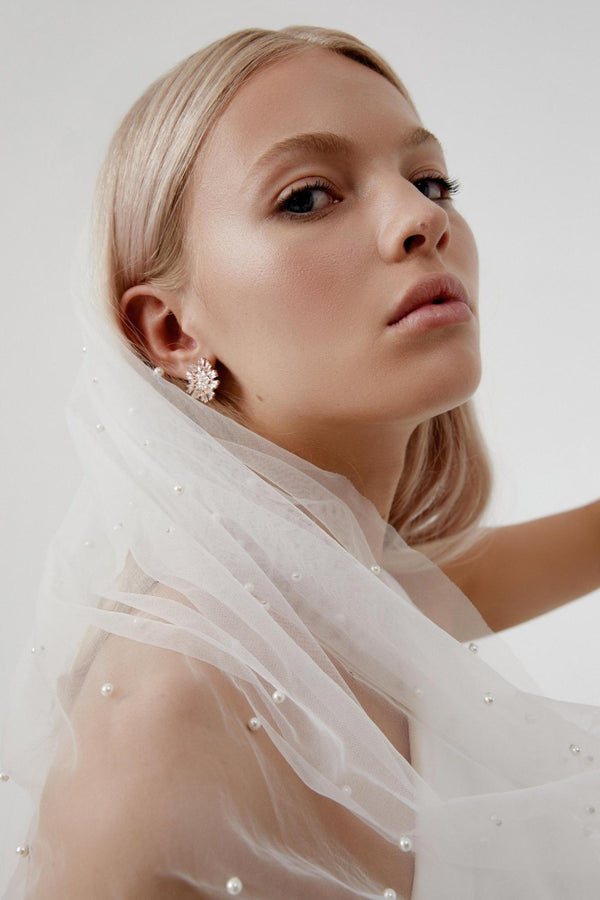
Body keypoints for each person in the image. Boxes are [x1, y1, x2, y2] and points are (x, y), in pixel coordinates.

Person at [2, 24, 600, 899]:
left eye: (430, 180)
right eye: (308, 198)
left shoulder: (346, 598)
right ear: (171, 331)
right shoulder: (165, 719)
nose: (422, 217)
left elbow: (440, 590)